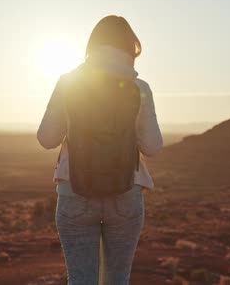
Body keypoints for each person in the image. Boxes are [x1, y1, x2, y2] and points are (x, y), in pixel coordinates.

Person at [37, 15, 163, 285]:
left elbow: (47, 138)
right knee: (117, 280)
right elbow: (152, 147)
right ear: (131, 48)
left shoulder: (68, 82)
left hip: (74, 192)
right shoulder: (139, 88)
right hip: (126, 192)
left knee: (81, 280)